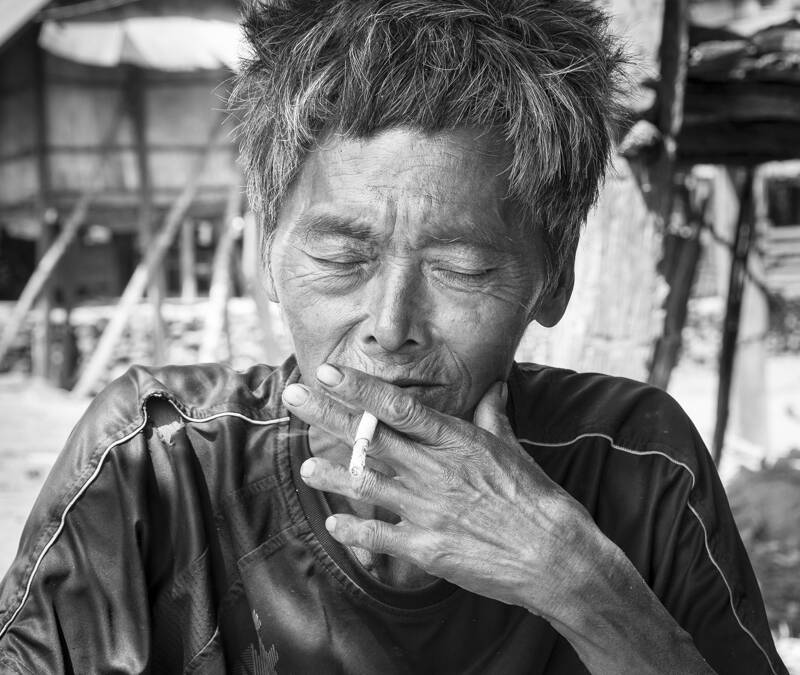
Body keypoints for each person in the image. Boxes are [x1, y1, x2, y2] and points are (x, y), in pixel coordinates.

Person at [0, 1, 788, 673]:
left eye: (463, 267)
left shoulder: (640, 468)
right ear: (264, 255)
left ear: (555, 276)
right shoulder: (154, 463)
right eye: (341, 257)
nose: (390, 327)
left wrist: (573, 578)